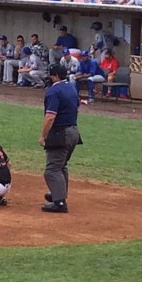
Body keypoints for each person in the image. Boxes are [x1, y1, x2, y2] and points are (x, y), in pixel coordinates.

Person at [39, 64, 81, 213]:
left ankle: (60, 202)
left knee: (52, 170)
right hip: (74, 132)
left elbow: (50, 117)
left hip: (60, 133)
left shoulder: (53, 91)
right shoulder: (71, 87)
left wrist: (43, 135)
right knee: (61, 165)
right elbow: (77, 108)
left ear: (55, 75)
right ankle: (59, 194)